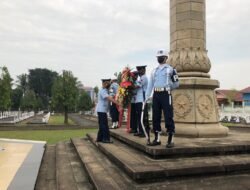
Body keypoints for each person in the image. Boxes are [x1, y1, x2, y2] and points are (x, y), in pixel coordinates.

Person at [146, 49, 179, 148]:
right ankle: (157, 138)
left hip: (166, 94)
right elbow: (150, 85)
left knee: (168, 116)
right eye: (158, 57)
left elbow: (177, 83)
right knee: (156, 116)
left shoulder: (171, 70)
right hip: (156, 94)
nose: (159, 59)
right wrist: (147, 97)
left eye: (161, 57)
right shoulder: (154, 71)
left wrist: (169, 87)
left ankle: (170, 139)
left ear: (166, 58)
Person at [96, 79, 119, 143]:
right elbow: (109, 98)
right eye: (108, 83)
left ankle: (99, 138)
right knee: (104, 125)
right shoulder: (103, 91)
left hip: (102, 110)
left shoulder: (105, 90)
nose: (109, 84)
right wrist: (117, 103)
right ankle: (105, 139)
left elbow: (111, 95)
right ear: (105, 84)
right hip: (101, 110)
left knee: (102, 125)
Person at [134, 66, 150, 138]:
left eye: (140, 70)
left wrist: (130, 83)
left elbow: (137, 86)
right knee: (138, 116)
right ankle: (140, 131)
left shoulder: (144, 77)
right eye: (138, 70)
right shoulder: (140, 78)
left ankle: (144, 132)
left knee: (143, 117)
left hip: (142, 100)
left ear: (144, 70)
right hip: (138, 100)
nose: (138, 71)